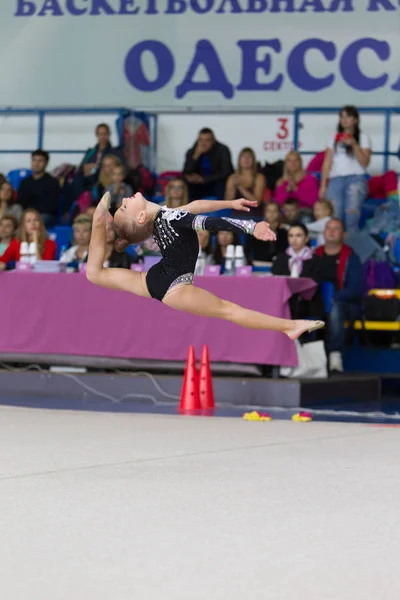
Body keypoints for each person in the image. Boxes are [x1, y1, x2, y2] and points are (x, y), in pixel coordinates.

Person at [85, 192, 325, 341]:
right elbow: (210, 223)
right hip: (174, 286)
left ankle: (98, 220)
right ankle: (290, 327)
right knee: (229, 310)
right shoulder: (169, 218)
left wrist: (230, 202)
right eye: (125, 207)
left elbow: (197, 206)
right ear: (140, 218)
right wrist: (251, 227)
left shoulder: (166, 215)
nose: (125, 200)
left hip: (155, 278)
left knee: (95, 274)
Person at [315, 218, 364, 373]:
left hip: (345, 303)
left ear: (343, 234)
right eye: (329, 228)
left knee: (335, 308)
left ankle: (335, 354)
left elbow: (356, 288)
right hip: (318, 301)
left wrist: (334, 298)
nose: (331, 231)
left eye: (336, 229)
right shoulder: (315, 254)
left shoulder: (351, 257)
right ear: (324, 233)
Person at [319, 105, 372, 231]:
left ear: (356, 120)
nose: (344, 120)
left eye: (348, 117)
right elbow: (327, 163)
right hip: (336, 179)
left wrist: (354, 144)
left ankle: (350, 249)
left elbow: (365, 162)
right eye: (342, 117)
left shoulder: (363, 137)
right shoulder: (333, 138)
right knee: (335, 218)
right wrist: (323, 185)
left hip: (356, 179)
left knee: (351, 217)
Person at [272, 223, 324, 322]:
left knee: (295, 303)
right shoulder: (281, 258)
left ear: (306, 238)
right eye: (291, 236)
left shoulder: (315, 259)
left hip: (307, 301)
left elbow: (314, 282)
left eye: (298, 235)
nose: (294, 239)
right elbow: (275, 278)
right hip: (284, 300)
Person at [183, 128, 233, 200]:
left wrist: (204, 179)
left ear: (213, 141)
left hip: (214, 182)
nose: (203, 144)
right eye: (201, 140)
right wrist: (195, 156)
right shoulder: (192, 151)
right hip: (197, 183)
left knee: (220, 184)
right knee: (184, 183)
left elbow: (226, 172)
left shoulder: (222, 150)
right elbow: (185, 172)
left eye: (207, 140)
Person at [17, 150, 61, 227]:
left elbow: (52, 206)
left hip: (45, 215)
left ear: (46, 163)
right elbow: (20, 202)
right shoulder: (24, 182)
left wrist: (33, 215)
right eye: (34, 160)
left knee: (36, 221)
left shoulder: (52, 182)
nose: (36, 164)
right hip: (27, 215)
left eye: (40, 161)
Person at [225, 147, 266, 217]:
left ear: (253, 160)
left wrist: (240, 187)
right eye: (243, 156)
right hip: (236, 216)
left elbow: (256, 202)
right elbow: (228, 202)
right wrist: (233, 187)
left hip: (255, 216)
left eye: (249, 157)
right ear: (239, 160)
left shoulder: (259, 177)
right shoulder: (232, 178)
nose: (246, 159)